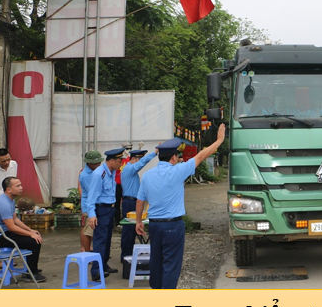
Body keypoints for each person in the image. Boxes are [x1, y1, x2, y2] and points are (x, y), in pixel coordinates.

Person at [136, 124, 226, 289]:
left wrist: (138, 222)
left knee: (156, 260)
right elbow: (201, 156)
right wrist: (219, 141)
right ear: (173, 158)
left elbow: (139, 201)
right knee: (171, 263)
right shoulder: (177, 172)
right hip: (172, 225)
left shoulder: (147, 175)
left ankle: (156, 290)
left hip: (154, 225)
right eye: (177, 156)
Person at [0, 176, 46, 282]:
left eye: (21, 185)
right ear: (8, 189)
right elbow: (12, 227)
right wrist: (30, 234)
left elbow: (15, 219)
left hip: (5, 233)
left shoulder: (9, 200)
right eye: (17, 186)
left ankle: (31, 269)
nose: (21, 188)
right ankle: (30, 273)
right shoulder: (4, 203)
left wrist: (30, 230)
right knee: (34, 242)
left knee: (34, 237)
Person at [86, 148, 125, 282]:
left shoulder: (111, 172)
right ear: (111, 161)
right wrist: (92, 215)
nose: (121, 164)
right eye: (119, 161)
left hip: (110, 209)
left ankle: (104, 264)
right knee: (100, 240)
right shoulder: (99, 174)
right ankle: (96, 270)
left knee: (107, 239)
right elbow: (91, 197)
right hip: (101, 210)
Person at [120, 148, 157, 263]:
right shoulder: (129, 169)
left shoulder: (131, 171)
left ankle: (129, 254)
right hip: (129, 202)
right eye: (139, 159)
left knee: (132, 231)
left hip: (132, 201)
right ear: (134, 159)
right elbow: (142, 163)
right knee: (128, 231)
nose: (140, 162)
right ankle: (126, 256)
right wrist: (155, 152)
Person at [77, 151, 104, 252]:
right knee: (87, 231)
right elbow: (92, 191)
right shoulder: (85, 175)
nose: (99, 164)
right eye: (96, 162)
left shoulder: (94, 171)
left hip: (92, 204)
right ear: (89, 162)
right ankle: (86, 251)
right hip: (89, 206)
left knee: (90, 230)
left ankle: (88, 250)